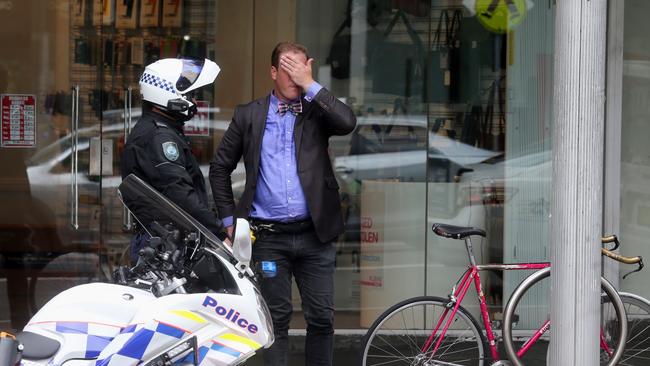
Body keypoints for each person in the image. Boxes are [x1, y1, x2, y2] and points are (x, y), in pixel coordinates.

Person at [209, 42, 356, 366]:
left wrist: (311, 85)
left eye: (299, 68)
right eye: (287, 69)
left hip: (315, 235)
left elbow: (347, 122)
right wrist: (229, 222)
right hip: (268, 238)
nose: (293, 75)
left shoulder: (318, 109)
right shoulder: (249, 115)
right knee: (274, 320)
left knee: (322, 318)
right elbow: (220, 169)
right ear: (273, 72)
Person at [121, 58, 227, 260]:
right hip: (165, 246)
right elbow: (179, 193)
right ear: (167, 92)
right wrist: (220, 232)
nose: (194, 101)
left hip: (164, 241)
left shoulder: (157, 130)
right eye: (190, 95)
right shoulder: (159, 137)